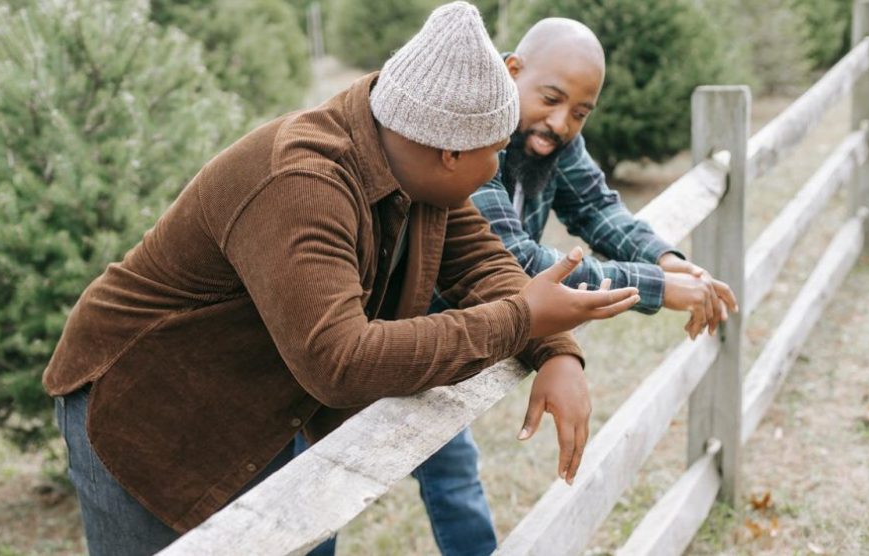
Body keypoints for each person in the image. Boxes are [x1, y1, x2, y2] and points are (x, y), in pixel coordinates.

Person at [42, 4, 641, 555]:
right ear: (452, 153)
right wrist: (521, 320)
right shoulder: (302, 181)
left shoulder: (417, 159)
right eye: (497, 150)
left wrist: (556, 350)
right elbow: (340, 361)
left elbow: (484, 267)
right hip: (148, 408)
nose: (499, 165)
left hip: (271, 404)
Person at [298, 18, 741, 556]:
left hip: (449, 349)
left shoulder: (554, 141)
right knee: (317, 494)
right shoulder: (469, 136)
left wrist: (669, 260)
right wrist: (655, 286)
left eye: (580, 112)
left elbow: (599, 209)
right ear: (512, 71)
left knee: (456, 479)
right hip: (377, 333)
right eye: (552, 99)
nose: (561, 123)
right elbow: (516, 259)